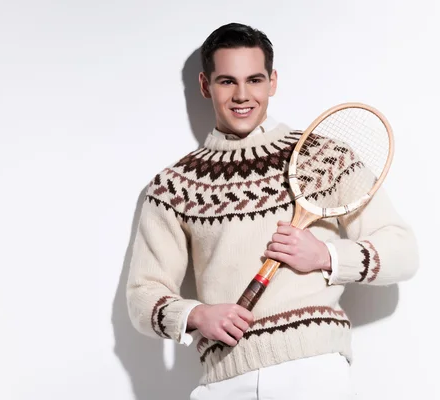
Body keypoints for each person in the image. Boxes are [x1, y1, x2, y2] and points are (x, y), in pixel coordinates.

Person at [126, 22, 419, 400]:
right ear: (205, 85)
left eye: (255, 79)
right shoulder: (174, 186)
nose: (243, 95)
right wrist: (196, 315)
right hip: (223, 379)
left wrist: (326, 256)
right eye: (227, 81)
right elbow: (142, 294)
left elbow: (404, 251)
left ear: (273, 81)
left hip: (310, 369)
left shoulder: (321, 157)